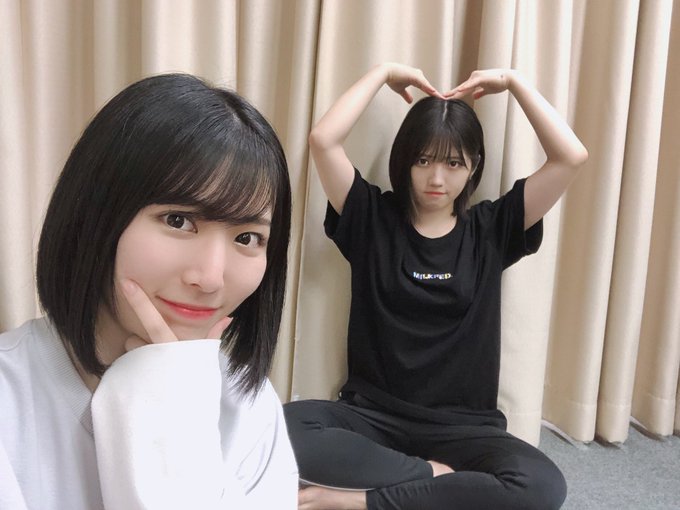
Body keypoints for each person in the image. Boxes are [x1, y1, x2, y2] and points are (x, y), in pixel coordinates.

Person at [284, 63, 588, 510]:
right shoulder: (371, 218)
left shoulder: (493, 228)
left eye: (453, 163)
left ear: (473, 166)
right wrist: (380, 74)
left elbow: (571, 157)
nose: (437, 179)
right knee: (281, 426)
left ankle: (360, 501)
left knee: (541, 485)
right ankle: (430, 480)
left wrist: (515, 82)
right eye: (423, 160)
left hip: (465, 429)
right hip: (373, 418)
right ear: (405, 161)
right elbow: (323, 140)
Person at [0, 73, 298, 510]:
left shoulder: (248, 404)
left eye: (247, 238)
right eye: (179, 220)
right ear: (95, 215)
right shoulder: (10, 397)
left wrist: (167, 407)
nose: (210, 278)